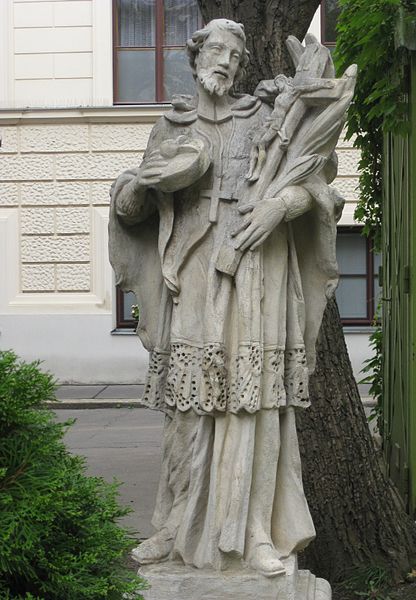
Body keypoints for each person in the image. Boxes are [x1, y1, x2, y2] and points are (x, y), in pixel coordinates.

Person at [109, 18, 346, 578]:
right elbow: (130, 207)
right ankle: (172, 527)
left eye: (237, 56)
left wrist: (278, 207)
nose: (227, 62)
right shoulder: (173, 125)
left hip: (258, 266)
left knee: (257, 404)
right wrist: (145, 185)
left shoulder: (264, 117)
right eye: (217, 50)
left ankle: (256, 532)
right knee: (188, 405)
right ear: (195, 57)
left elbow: (320, 186)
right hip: (193, 271)